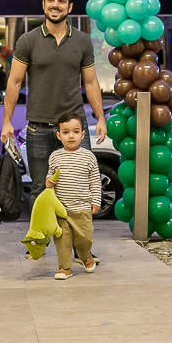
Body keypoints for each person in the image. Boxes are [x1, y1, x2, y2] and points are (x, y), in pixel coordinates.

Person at [0, 0, 107, 201]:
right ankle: (42, 237)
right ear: (43, 4)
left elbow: (90, 82)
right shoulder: (28, 40)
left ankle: (71, 236)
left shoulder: (83, 41)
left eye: (61, 1)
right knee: (41, 190)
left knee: (77, 188)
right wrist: (6, 121)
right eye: (51, 0)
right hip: (38, 128)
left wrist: (100, 118)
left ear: (69, 7)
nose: (55, 5)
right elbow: (14, 82)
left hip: (74, 126)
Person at [45, 113, 101, 280]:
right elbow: (50, 177)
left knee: (85, 238)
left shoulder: (88, 157)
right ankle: (64, 268)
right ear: (59, 135)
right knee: (62, 240)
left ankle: (85, 256)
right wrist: (48, 182)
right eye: (66, 132)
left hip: (82, 208)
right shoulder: (55, 156)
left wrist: (96, 200)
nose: (71, 135)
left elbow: (95, 181)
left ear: (82, 135)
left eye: (76, 131)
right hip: (61, 209)